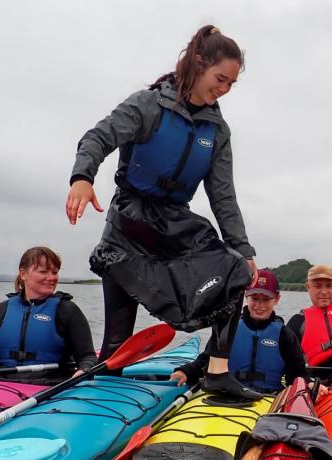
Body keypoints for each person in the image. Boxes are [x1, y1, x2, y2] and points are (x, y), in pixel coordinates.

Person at [65, 25, 259, 399]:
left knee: (234, 268)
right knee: (118, 338)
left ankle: (217, 372)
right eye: (220, 79)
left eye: (231, 84)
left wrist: (244, 248)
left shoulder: (217, 130)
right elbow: (98, 136)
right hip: (129, 224)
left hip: (173, 222)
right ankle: (101, 390)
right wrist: (82, 177)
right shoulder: (148, 105)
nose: (224, 89)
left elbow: (223, 196)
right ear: (198, 63)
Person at [171, 270, 307, 395]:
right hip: (230, 392)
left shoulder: (285, 335)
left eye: (266, 299)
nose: (259, 305)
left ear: (276, 299)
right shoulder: (228, 329)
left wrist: (309, 385)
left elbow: (297, 374)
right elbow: (207, 359)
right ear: (246, 296)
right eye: (255, 298)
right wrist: (186, 371)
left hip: (270, 396)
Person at [0, 247, 97, 383]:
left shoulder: (67, 311)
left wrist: (85, 369)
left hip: (51, 384)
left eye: (54, 272)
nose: (51, 278)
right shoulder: (1, 310)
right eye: (43, 272)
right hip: (1, 382)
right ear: (23, 274)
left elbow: (87, 357)